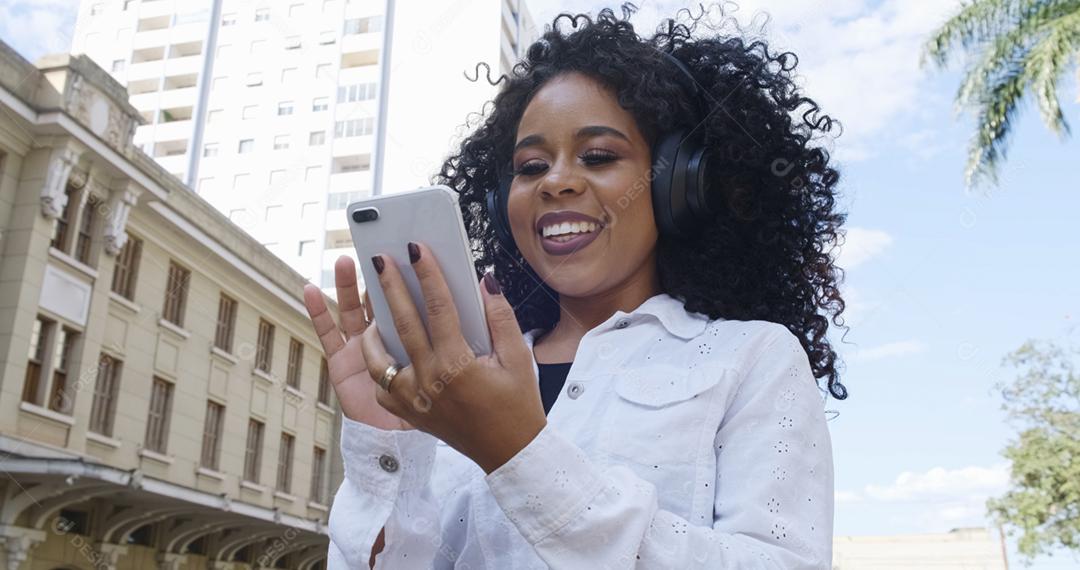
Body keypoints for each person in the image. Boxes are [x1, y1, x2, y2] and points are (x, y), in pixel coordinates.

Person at [302, 3, 849, 568]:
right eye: (531, 166)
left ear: (677, 184)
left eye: (598, 156)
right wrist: (386, 447)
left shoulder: (753, 357)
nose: (556, 181)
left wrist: (518, 452)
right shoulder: (457, 380)